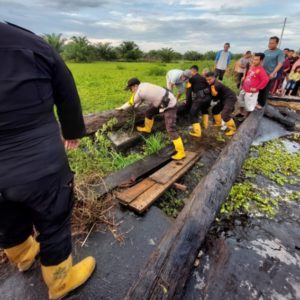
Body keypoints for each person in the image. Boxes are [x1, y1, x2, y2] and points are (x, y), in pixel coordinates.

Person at [0, 22, 95, 300]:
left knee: (5, 217)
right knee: (53, 219)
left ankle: (24, 256)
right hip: (39, 160)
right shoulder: (33, 44)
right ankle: (60, 281)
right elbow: (67, 90)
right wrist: (73, 131)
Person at [116, 78, 185, 160]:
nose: (131, 91)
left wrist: (121, 108)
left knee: (170, 129)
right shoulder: (144, 85)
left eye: (131, 89)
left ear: (135, 86)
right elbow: (139, 100)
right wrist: (135, 106)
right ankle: (147, 128)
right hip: (163, 101)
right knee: (149, 113)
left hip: (170, 105)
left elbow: (131, 102)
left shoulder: (140, 92)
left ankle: (181, 152)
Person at [205, 72, 237, 136]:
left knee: (224, 114)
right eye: (207, 79)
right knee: (215, 109)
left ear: (214, 78)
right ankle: (218, 123)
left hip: (230, 98)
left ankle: (233, 130)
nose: (208, 81)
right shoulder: (210, 84)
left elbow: (214, 95)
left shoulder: (217, 85)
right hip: (223, 99)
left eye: (210, 79)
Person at [238, 53, 269, 117]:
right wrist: (243, 82)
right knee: (240, 101)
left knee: (249, 106)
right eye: (254, 59)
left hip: (251, 92)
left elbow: (265, 80)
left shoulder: (261, 70)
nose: (254, 61)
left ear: (261, 61)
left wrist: (257, 88)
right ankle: (241, 113)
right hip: (244, 88)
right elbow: (249, 76)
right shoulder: (252, 67)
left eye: (256, 60)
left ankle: (247, 118)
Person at [257, 36, 285, 108]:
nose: (270, 44)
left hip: (270, 75)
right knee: (259, 88)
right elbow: (261, 62)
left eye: (272, 43)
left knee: (265, 90)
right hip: (262, 74)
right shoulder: (266, 51)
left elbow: (280, 64)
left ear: (277, 43)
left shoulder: (280, 52)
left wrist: (273, 73)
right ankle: (256, 102)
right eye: (269, 43)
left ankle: (261, 105)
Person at [186, 65, 211, 137]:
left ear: (192, 71)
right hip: (208, 98)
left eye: (190, 72)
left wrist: (188, 103)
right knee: (204, 110)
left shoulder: (191, 79)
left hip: (200, 98)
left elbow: (188, 93)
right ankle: (205, 126)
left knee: (192, 113)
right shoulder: (203, 78)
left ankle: (197, 133)